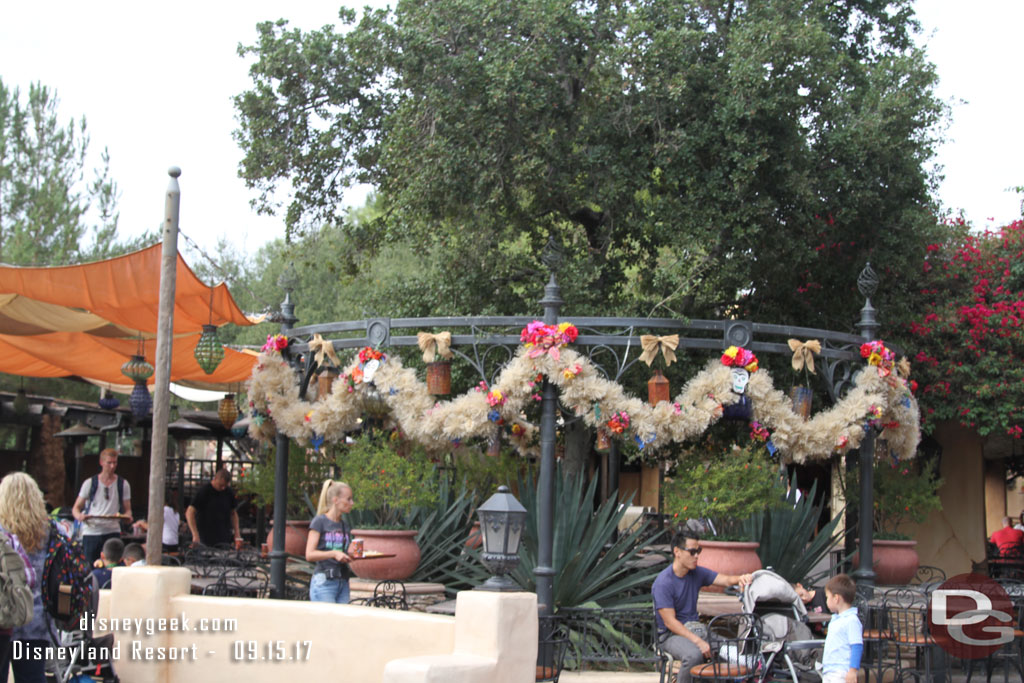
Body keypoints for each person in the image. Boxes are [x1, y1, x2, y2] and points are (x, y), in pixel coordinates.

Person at [652, 530, 754, 683]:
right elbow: (670, 622)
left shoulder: (696, 573)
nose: (697, 556)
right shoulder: (663, 583)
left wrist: (741, 578)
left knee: (733, 650)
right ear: (677, 552)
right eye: (692, 552)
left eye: (698, 551)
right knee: (694, 655)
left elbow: (725, 580)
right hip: (671, 636)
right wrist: (699, 642)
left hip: (696, 629)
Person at [0, 472, 54, 683]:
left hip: (4, 618)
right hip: (37, 620)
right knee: (33, 678)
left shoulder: (2, 532)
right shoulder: (52, 531)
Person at [71, 448, 131, 565]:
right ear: (101, 463)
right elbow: (76, 508)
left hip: (112, 530)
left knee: (113, 565)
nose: (112, 466)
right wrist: (80, 516)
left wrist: (127, 517)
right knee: (90, 565)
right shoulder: (90, 483)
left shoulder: (123, 484)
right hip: (92, 531)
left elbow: (128, 509)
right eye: (109, 463)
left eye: (115, 463)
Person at [305, 480, 355, 603]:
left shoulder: (345, 526)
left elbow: (342, 554)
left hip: (342, 582)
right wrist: (333, 553)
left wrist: (352, 554)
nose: (352, 503)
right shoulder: (319, 522)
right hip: (324, 583)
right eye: (348, 499)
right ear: (335, 500)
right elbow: (309, 554)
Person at [820, 574, 863, 683]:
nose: (826, 601)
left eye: (827, 597)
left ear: (836, 598)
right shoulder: (836, 619)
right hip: (829, 669)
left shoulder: (851, 620)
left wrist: (853, 670)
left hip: (841, 671)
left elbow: (857, 646)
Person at [186, 469, 241, 548]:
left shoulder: (228, 492)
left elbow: (233, 513)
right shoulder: (204, 491)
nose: (223, 488)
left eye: (225, 486)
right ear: (215, 479)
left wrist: (237, 533)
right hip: (205, 537)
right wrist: (195, 534)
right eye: (220, 485)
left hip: (224, 537)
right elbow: (189, 512)